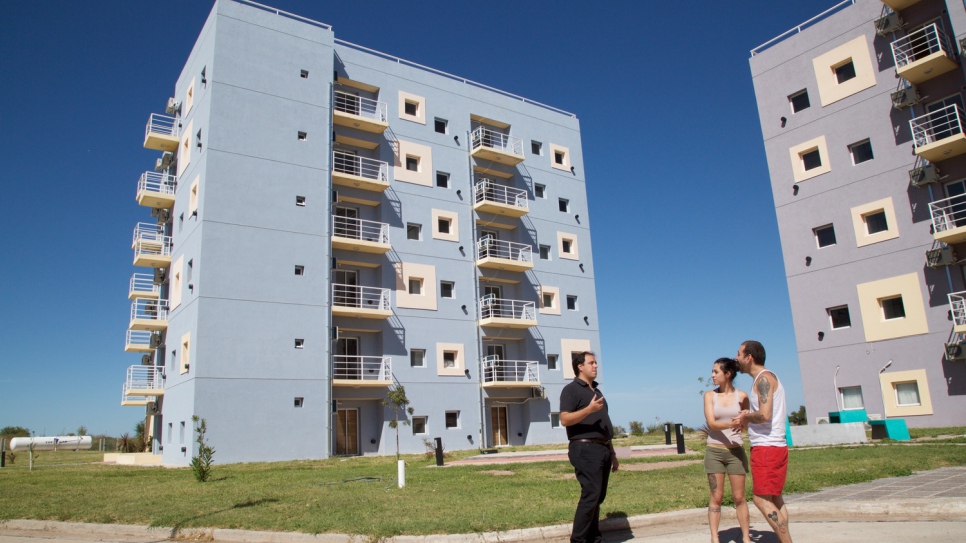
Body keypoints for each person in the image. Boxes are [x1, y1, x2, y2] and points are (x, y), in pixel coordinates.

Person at [732, 340, 792, 543]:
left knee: (760, 498)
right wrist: (748, 415)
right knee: (775, 499)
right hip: (775, 446)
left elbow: (765, 415)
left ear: (749, 357)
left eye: (739, 354)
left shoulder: (763, 379)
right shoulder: (766, 377)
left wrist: (745, 417)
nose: (736, 358)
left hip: (767, 448)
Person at [560, 351, 618, 543]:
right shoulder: (571, 390)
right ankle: (578, 540)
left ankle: (594, 539)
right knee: (591, 495)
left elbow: (603, 424)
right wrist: (588, 410)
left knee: (597, 497)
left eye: (596, 363)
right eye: (591, 363)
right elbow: (565, 419)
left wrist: (612, 453)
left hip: (603, 449)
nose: (596, 366)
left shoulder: (597, 392)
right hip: (585, 449)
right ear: (580, 366)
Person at [703, 357, 751, 543]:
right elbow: (712, 424)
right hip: (714, 452)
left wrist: (745, 420)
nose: (712, 375)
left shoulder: (742, 397)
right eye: (713, 371)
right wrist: (733, 423)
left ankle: (746, 538)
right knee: (717, 496)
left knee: (740, 497)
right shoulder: (709, 396)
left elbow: (746, 424)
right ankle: (715, 538)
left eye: (716, 372)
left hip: (736, 452)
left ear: (728, 374)